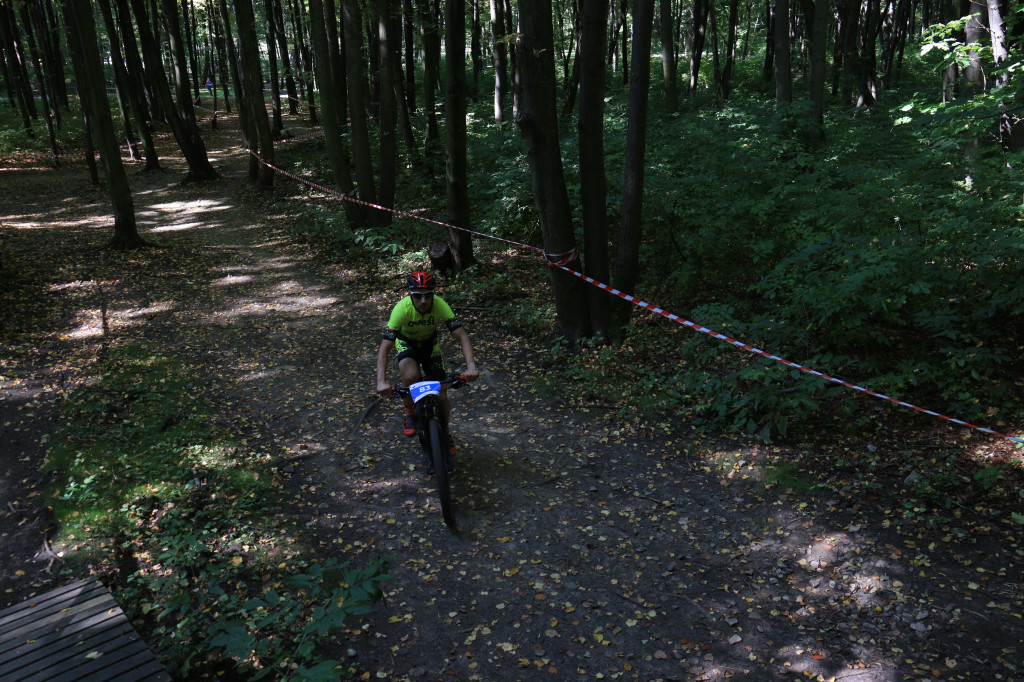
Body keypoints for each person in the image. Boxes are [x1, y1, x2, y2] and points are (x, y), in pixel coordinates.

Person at [375, 271, 479, 456]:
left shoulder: (440, 305)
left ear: (433, 294)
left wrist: (471, 366)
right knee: (410, 376)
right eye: (418, 296)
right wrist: (381, 381)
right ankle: (409, 411)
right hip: (406, 343)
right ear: (410, 295)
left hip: (430, 346)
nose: (423, 301)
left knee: (442, 393)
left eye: (428, 295)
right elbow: (385, 347)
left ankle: (444, 430)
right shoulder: (401, 309)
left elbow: (461, 335)